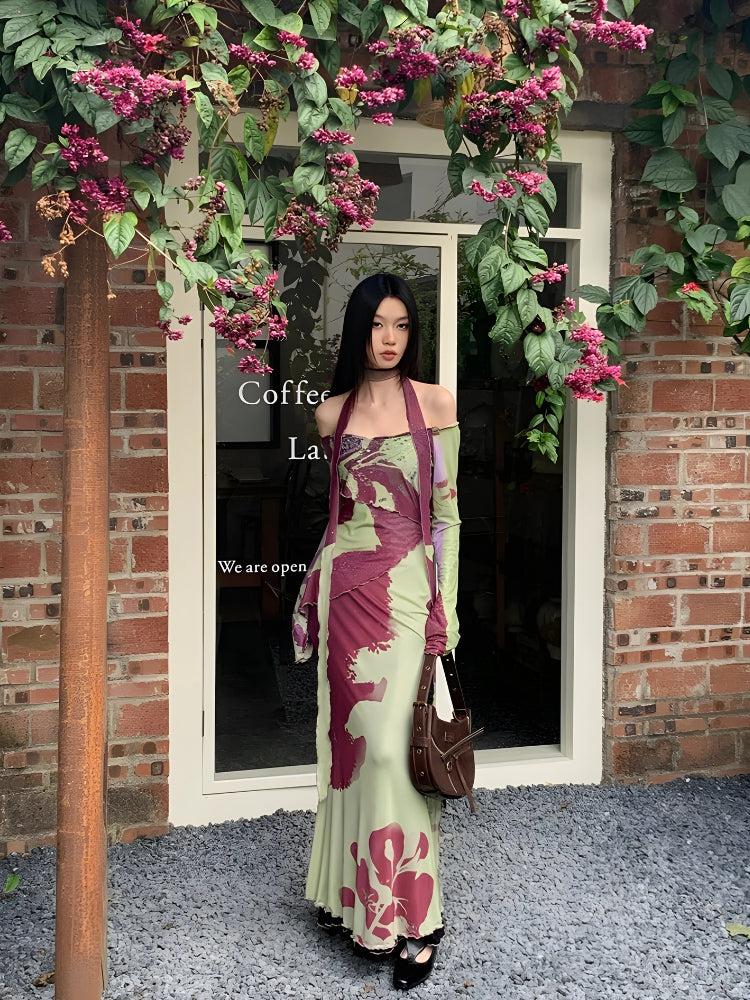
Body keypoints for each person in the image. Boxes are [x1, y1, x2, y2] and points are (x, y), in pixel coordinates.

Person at [292, 272, 461, 991]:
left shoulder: (436, 403)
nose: (389, 339)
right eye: (376, 325)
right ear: (357, 331)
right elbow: (337, 519)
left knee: (396, 752)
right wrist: (311, 591)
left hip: (409, 592)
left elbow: (446, 517)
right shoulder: (331, 414)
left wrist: (445, 608)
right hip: (346, 593)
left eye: (401, 326)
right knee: (354, 751)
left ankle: (419, 920)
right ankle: (354, 903)